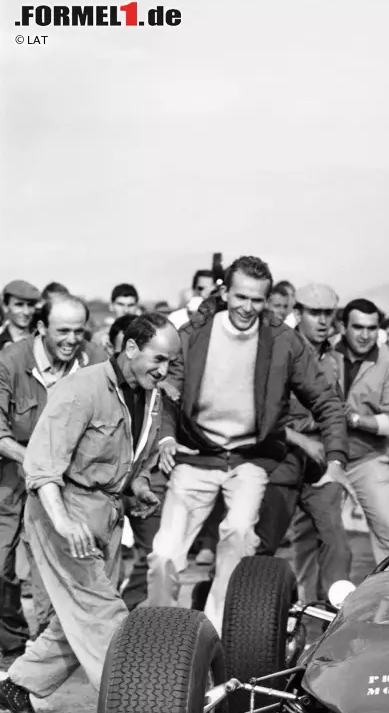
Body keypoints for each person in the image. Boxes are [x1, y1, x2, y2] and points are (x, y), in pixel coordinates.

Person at [147, 255, 349, 635]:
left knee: (239, 539)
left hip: (250, 459)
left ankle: (216, 636)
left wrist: (336, 458)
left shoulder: (283, 341)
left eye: (257, 300)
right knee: (164, 554)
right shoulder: (192, 335)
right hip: (196, 456)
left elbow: (325, 398)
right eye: (240, 297)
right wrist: (168, 438)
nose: (248, 308)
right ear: (225, 293)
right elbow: (167, 395)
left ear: (268, 299)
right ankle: (160, 632)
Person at [0, 314, 179, 713]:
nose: (164, 369)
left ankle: (19, 685)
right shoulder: (82, 389)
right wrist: (63, 522)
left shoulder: (150, 396)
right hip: (61, 514)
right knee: (104, 616)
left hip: (106, 516)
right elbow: (42, 466)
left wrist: (140, 487)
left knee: (75, 618)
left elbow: (129, 459)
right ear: (131, 349)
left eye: (170, 361)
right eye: (158, 358)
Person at [0, 293, 105, 653]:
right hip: (12, 475)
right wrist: (37, 463)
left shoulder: (95, 362)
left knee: (51, 574)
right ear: (41, 327)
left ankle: (44, 652)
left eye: (79, 331)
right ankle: (11, 641)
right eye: (63, 331)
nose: (72, 340)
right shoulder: (11, 361)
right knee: (1, 567)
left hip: (67, 484)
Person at [253, 283, 352, 603]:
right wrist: (298, 439)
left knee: (336, 544)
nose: (323, 321)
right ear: (298, 313)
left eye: (328, 314)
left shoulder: (335, 359)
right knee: (264, 544)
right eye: (314, 313)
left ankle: (331, 619)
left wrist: (336, 461)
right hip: (279, 455)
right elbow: (258, 412)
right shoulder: (276, 348)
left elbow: (335, 409)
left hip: (319, 460)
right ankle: (248, 616)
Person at [330, 298, 389, 562]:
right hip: (326, 456)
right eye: (358, 327)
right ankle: (310, 598)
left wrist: (355, 420)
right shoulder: (325, 353)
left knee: (388, 527)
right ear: (343, 326)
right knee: (313, 533)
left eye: (372, 328)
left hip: (368, 457)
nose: (365, 335)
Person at [0, 280, 41, 351]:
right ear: (5, 307)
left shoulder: (42, 339)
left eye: (30, 305)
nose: (26, 312)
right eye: (19, 305)